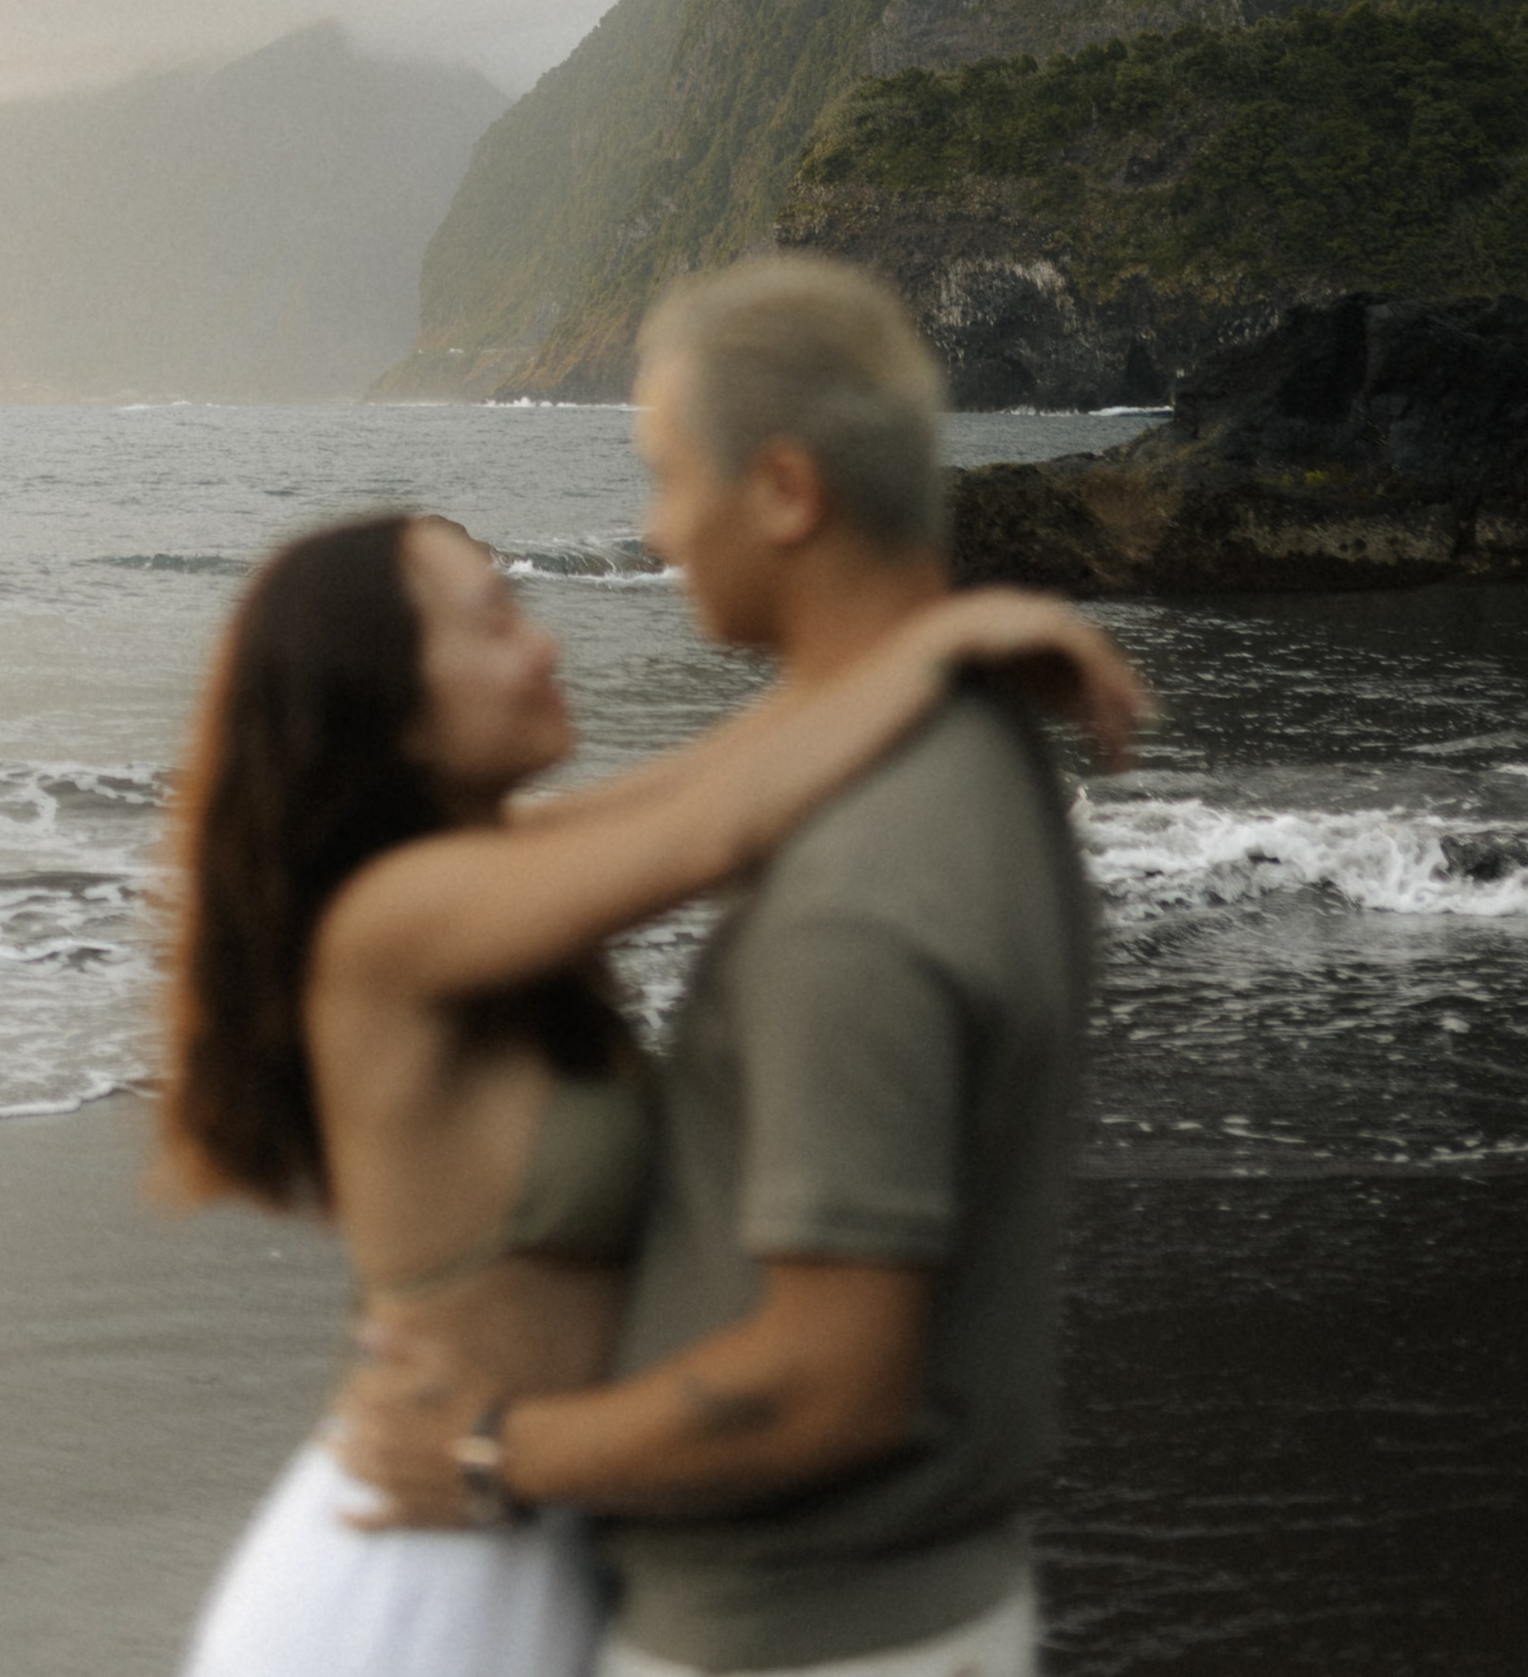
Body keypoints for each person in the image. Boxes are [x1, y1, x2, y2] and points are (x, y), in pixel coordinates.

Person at [162, 451, 1143, 1676]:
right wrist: (937, 651)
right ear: (389, 703)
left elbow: (712, 773)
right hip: (414, 1576)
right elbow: (714, 826)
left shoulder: (495, 864)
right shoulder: (390, 920)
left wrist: (927, 631)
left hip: (524, 1524)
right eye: (497, 620)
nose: (546, 648)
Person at [341, 254, 1106, 1677]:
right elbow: (691, 817)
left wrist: (497, 1452)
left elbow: (835, 1384)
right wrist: (942, 640)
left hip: (793, 1641)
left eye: (668, 472)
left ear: (785, 493)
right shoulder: (977, 756)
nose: (656, 529)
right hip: (902, 1608)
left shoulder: (852, 891)